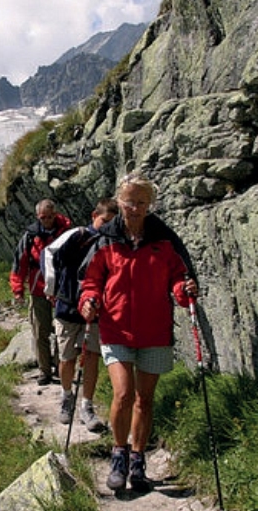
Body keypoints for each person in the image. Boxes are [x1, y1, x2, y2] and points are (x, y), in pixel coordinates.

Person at [79, 171, 198, 493]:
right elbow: (91, 281)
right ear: (119, 201)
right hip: (115, 329)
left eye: (141, 202)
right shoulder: (105, 240)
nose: (134, 208)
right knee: (123, 394)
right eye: (129, 201)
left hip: (155, 331)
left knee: (145, 399)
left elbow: (178, 276)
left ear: (150, 205)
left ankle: (137, 460)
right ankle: (118, 455)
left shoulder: (164, 240)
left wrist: (184, 291)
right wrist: (88, 300)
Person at [42, 198, 118, 432]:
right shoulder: (77, 235)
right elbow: (49, 253)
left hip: (95, 308)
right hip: (67, 306)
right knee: (67, 357)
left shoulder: (112, 241)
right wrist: (52, 289)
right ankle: (67, 397)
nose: (106, 226)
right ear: (94, 214)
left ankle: (87, 405)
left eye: (111, 223)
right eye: (104, 220)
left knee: (92, 356)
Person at [10, 199, 71, 385]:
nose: (47, 221)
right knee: (40, 332)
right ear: (38, 216)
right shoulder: (30, 236)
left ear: (55, 214)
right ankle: (45, 371)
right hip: (38, 290)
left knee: (63, 332)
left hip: (62, 290)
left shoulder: (67, 233)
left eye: (50, 217)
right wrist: (18, 290)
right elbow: (19, 264)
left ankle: (61, 368)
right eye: (43, 218)